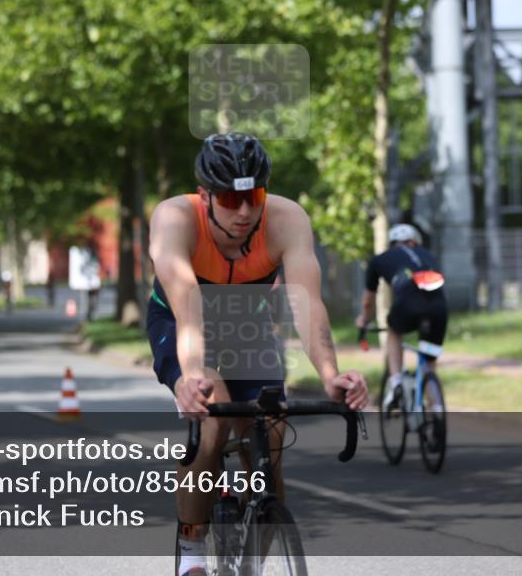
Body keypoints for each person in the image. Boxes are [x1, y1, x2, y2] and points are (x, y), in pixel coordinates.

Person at [148, 132, 369, 576]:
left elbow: (307, 304)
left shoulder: (287, 219)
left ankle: (251, 560)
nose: (246, 211)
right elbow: (189, 309)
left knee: (270, 437)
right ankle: (191, 549)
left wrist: (330, 374)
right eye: (231, 199)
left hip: (246, 325)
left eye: (255, 196)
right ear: (205, 196)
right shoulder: (174, 218)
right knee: (214, 422)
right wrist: (191, 376)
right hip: (183, 321)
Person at [355, 223, 449, 409]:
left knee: (394, 331)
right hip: (439, 309)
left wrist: (364, 319)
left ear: (392, 243)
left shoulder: (379, 259)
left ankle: (396, 381)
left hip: (407, 305)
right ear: (414, 242)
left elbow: (367, 302)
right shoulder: (428, 256)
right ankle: (436, 409)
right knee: (429, 364)